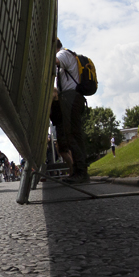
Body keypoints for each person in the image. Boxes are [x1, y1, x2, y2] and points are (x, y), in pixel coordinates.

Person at [55, 39, 89, 182]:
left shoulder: (63, 53)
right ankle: (78, 172)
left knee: (73, 135)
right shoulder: (68, 54)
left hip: (71, 97)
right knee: (73, 135)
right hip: (73, 97)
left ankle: (81, 173)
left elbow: (54, 62)